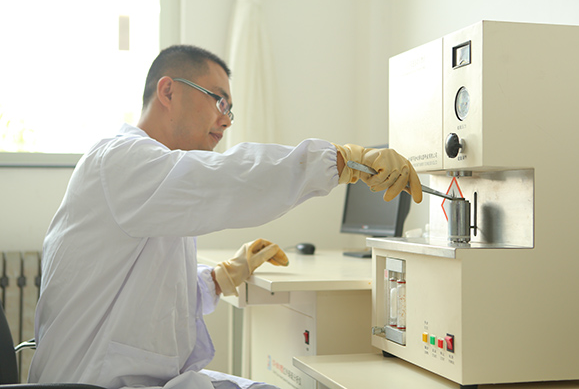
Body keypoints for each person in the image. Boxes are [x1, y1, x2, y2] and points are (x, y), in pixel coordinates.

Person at [28, 45, 422, 389]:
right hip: (94, 382)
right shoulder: (121, 160)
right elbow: (230, 178)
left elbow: (149, 297)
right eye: (220, 101)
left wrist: (220, 277)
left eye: (230, 109)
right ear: (168, 91)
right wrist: (342, 161)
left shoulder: (153, 177)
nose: (227, 120)